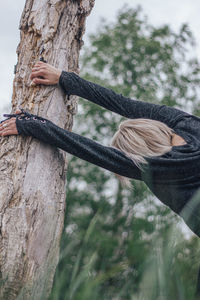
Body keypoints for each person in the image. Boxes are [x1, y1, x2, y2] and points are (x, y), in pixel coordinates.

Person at [0, 62, 200, 240]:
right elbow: (122, 103)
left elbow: (87, 149)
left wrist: (32, 125)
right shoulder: (186, 124)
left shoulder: (157, 166)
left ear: (137, 153)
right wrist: (63, 78)